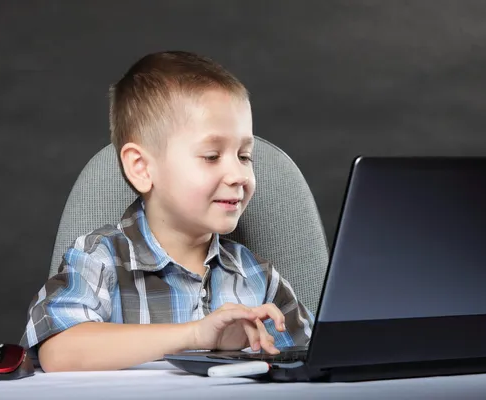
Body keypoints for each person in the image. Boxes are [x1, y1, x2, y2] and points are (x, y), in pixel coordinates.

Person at [19, 51, 313, 372]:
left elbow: (314, 363)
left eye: (244, 156)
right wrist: (195, 335)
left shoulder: (258, 279)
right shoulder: (99, 258)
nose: (239, 175)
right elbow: (59, 351)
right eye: (212, 155)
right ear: (142, 168)